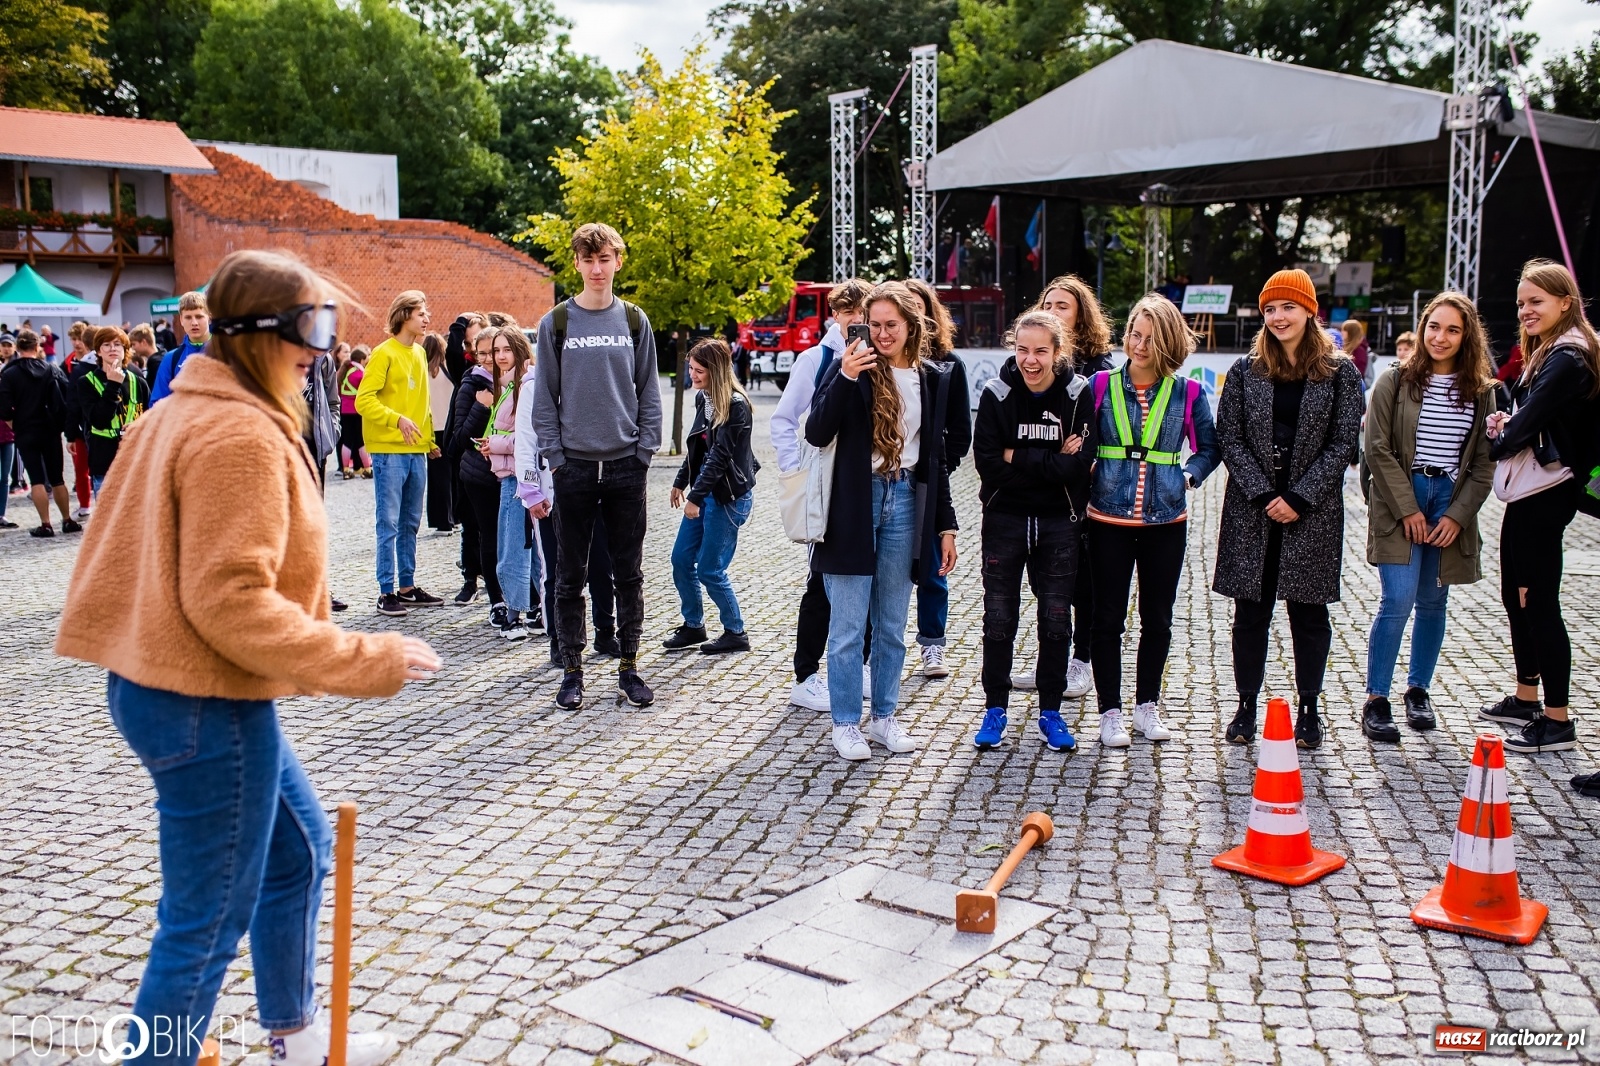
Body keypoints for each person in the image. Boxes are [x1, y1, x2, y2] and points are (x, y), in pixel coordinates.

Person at [55, 248, 438, 1066]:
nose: (324, 346)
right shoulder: (237, 433)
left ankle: (294, 1035)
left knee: (295, 854)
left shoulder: (187, 408)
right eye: (312, 325)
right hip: (200, 698)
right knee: (203, 922)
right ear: (260, 333)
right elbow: (229, 601)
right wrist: (364, 655)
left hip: (172, 685)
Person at [806, 281, 959, 761]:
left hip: (906, 500)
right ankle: (846, 722)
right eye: (874, 325)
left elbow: (934, 459)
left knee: (892, 624)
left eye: (891, 325)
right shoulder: (849, 367)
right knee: (848, 626)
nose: (882, 333)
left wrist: (946, 524)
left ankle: (885, 716)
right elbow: (815, 430)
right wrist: (846, 376)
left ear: (912, 326)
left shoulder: (931, 378)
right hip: (855, 501)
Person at [1214, 269, 1365, 750]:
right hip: (1252, 506)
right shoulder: (1245, 370)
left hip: (1312, 508)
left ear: (1309, 311)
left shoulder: (1341, 372)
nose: (1279, 317)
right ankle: (1244, 706)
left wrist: (1300, 497)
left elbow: (1344, 442)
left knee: (1309, 614)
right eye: (1270, 309)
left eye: (1288, 307)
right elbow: (1230, 438)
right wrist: (1263, 494)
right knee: (1250, 614)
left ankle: (1309, 707)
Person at [531, 223, 662, 711]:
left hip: (627, 465)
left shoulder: (634, 321)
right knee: (570, 576)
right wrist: (558, 458)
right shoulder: (557, 323)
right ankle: (572, 671)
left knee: (628, 574)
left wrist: (645, 452)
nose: (597, 268)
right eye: (588, 260)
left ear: (618, 262)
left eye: (604, 259)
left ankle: (629, 667)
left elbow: (649, 389)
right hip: (576, 469)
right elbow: (543, 399)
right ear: (577, 265)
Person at [1361, 292, 1495, 742]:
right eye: (1434, 326)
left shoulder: (1482, 390)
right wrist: (1408, 508)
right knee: (1397, 600)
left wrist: (1457, 515)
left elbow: (1483, 461)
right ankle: (1376, 698)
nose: (1440, 337)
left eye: (1452, 329)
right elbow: (1376, 448)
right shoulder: (1394, 380)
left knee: (1434, 602)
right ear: (1422, 328)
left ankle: (1417, 690)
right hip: (1403, 495)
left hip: (1449, 500)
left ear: (1467, 335)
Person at [1088, 295, 1221, 747]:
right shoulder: (1100, 386)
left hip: (1166, 520)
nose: (1138, 344)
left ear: (1167, 340)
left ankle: (1147, 707)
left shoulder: (1188, 392)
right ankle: (1109, 711)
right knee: (1106, 619)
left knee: (1158, 618)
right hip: (1107, 519)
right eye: (1134, 334)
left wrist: (1189, 475)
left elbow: (1209, 447)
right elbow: (1081, 439)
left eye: (1149, 337)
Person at [1480, 260, 1600, 755]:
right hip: (1535, 491)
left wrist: (1503, 431)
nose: (1525, 311)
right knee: (1517, 595)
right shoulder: (1552, 353)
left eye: (1536, 302)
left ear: (1565, 303)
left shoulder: (1568, 357)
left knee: (1538, 601)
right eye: (1521, 304)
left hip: (1547, 492)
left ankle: (1557, 719)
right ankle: (1528, 696)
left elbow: (1518, 433)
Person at [970, 310, 1095, 751]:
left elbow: (1079, 469)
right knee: (999, 619)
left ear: (1058, 352)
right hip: (1004, 521)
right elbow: (986, 464)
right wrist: (1050, 462)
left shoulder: (1079, 394)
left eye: (1041, 351)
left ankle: (1051, 712)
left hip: (1060, 523)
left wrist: (1016, 455)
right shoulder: (995, 392)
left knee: (1056, 621)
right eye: (1023, 349)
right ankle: (995, 708)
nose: (1031, 360)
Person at [770, 279, 874, 712]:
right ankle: (806, 673)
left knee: (869, 575)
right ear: (834, 316)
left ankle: (861, 663)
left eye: (861, 315)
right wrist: (797, 472)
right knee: (820, 581)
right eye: (846, 314)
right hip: (824, 484)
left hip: (867, 481)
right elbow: (783, 419)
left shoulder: (879, 356)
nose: (854, 322)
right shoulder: (816, 359)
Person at [1015, 275, 1118, 699]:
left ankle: (1083, 660)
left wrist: (1071, 452)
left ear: (1081, 315)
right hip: (1043, 492)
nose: (1054, 312)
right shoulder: (1035, 369)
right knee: (1045, 582)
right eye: (1049, 304)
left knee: (1085, 583)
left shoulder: (1101, 369)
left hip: (1089, 494)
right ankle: (1051, 661)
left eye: (1063, 306)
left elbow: (1094, 438)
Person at [666, 337, 757, 654]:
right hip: (705, 491)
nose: (692, 375)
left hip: (728, 496)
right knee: (680, 560)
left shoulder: (736, 406)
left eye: (698, 370)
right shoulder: (703, 399)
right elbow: (698, 449)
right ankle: (694, 626)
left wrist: (694, 497)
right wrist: (681, 481)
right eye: (690, 369)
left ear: (716, 371)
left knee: (709, 569)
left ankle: (736, 632)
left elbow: (719, 458)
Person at [356, 290, 444, 617]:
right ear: (405, 314)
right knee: (388, 523)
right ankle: (386, 591)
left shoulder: (420, 353)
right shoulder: (383, 353)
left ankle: (406, 587)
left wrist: (430, 439)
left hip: (417, 450)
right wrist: (396, 419)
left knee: (410, 522)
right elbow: (364, 400)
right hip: (388, 451)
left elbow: (422, 402)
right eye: (422, 313)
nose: (427, 318)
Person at [903, 279, 972, 678]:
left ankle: (933, 645)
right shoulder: (883, 360)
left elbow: (961, 432)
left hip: (930, 483)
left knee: (933, 569)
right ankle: (873, 647)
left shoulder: (949, 363)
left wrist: (940, 470)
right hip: (889, 480)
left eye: (918, 306)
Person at [481, 325, 541, 636]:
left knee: (513, 549)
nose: (501, 356)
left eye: (506, 350)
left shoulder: (525, 385)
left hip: (519, 479)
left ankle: (516, 615)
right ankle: (533, 610)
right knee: (522, 548)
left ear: (519, 350)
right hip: (508, 475)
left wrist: (497, 444)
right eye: (496, 351)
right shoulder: (508, 385)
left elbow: (529, 439)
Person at [445, 329, 505, 623]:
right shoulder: (471, 384)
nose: (490, 359)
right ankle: (495, 599)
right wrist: (482, 408)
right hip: (480, 475)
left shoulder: (516, 381)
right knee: (487, 534)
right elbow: (457, 441)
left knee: (515, 537)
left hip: (511, 473)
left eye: (494, 352)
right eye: (482, 353)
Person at [0, 330, 77, 536]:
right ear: (37, 347)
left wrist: (14, 425)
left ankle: (45, 524)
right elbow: (66, 397)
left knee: (36, 479)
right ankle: (67, 520)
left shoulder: (8, 374)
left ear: (17, 348)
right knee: (57, 478)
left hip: (25, 430)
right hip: (50, 430)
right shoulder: (51, 369)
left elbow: (4, 408)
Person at [78, 326, 149, 498]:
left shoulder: (138, 382)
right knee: (107, 521)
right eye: (106, 345)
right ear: (98, 351)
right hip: (105, 462)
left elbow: (151, 417)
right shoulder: (86, 383)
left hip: (135, 461)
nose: (112, 349)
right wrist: (113, 386)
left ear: (125, 351)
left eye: (117, 345)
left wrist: (138, 426)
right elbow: (98, 420)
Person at [148, 291, 211, 404]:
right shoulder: (171, 359)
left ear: (209, 318)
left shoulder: (225, 354)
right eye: (188, 317)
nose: (194, 322)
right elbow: (157, 403)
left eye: (199, 316)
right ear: (181, 320)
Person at [63, 321, 96, 518]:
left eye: (79, 339)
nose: (76, 343)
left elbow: (72, 403)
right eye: (73, 339)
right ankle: (85, 504)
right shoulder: (69, 362)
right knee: (81, 469)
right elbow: (70, 402)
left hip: (88, 426)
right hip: (81, 427)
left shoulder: (80, 368)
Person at [423, 332, 456, 531]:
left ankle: (439, 519)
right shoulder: (448, 371)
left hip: (430, 429)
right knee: (450, 475)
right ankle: (451, 517)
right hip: (449, 428)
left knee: (435, 477)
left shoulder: (421, 373)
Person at [337, 346, 372, 478]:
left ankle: (346, 469)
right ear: (361, 360)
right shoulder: (360, 374)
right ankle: (367, 469)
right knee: (361, 441)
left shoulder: (345, 372)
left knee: (347, 441)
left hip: (345, 411)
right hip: (357, 411)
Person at [1341, 318, 1372, 385]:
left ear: (1351, 332)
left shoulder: (1359, 350)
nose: (1342, 332)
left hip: (1354, 386)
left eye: (1344, 330)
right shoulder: (1347, 347)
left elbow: (1359, 372)